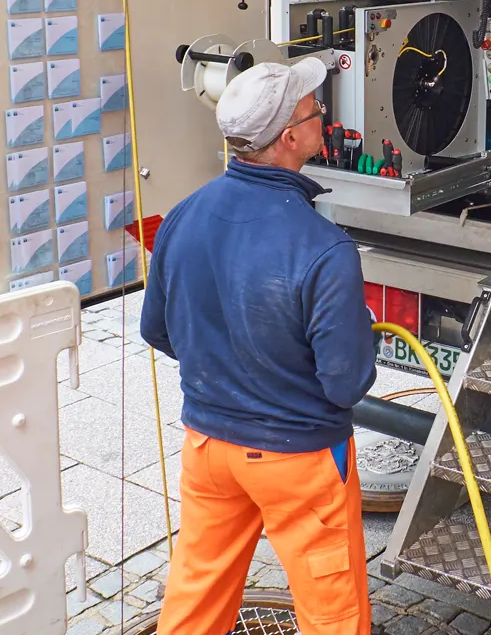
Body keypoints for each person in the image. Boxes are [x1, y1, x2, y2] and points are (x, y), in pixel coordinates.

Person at [142, 59, 376, 635]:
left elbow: (157, 330)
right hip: (298, 461)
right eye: (313, 110)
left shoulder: (181, 218)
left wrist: (231, 371)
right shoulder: (326, 249)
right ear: (291, 137)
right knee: (332, 615)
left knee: (195, 597)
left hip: (207, 449)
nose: (323, 116)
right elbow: (346, 383)